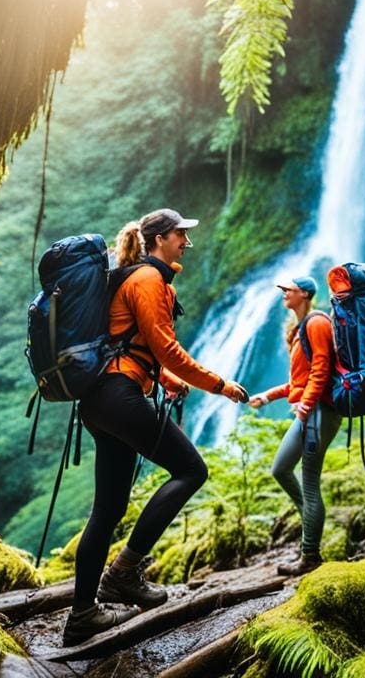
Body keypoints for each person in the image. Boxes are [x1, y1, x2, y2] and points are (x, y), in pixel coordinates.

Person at [63, 208, 248, 647]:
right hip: (119, 396)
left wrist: (167, 381)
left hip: (101, 399)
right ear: (160, 237)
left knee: (107, 510)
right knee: (191, 470)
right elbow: (165, 346)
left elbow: (129, 343)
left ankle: (82, 615)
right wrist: (218, 385)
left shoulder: (134, 277)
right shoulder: (149, 281)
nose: (187, 241)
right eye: (182, 234)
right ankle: (124, 572)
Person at [248, 276, 341, 576]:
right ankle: (310, 523)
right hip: (310, 410)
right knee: (280, 469)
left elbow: (322, 369)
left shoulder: (316, 323)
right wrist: (269, 396)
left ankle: (310, 555)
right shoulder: (300, 328)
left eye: (288, 290)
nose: (283, 294)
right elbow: (299, 380)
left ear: (304, 293)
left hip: (319, 411)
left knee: (309, 481)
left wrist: (305, 407)